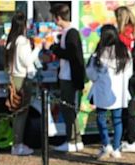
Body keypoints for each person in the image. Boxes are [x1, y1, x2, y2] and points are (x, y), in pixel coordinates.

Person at [86, 24, 132, 159]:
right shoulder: (124, 52)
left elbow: (91, 74)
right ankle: (117, 148)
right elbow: (129, 72)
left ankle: (106, 145)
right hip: (119, 92)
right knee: (117, 120)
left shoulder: (99, 53)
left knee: (101, 119)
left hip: (102, 92)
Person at [47, 4, 85, 152]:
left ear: (58, 17)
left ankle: (71, 140)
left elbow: (72, 54)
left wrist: (54, 48)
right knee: (68, 109)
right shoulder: (68, 33)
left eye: (54, 18)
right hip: (66, 75)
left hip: (69, 77)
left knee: (67, 109)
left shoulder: (71, 33)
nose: (54, 21)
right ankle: (76, 139)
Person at [5, 11, 42, 156]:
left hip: (14, 78)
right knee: (22, 113)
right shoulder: (23, 41)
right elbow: (27, 61)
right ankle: (18, 144)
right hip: (23, 79)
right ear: (23, 26)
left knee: (16, 112)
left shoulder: (11, 41)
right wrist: (38, 48)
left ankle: (17, 143)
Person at [114, 6, 135, 153]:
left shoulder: (123, 33)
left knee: (126, 108)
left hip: (127, 73)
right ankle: (130, 139)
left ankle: (130, 140)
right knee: (130, 106)